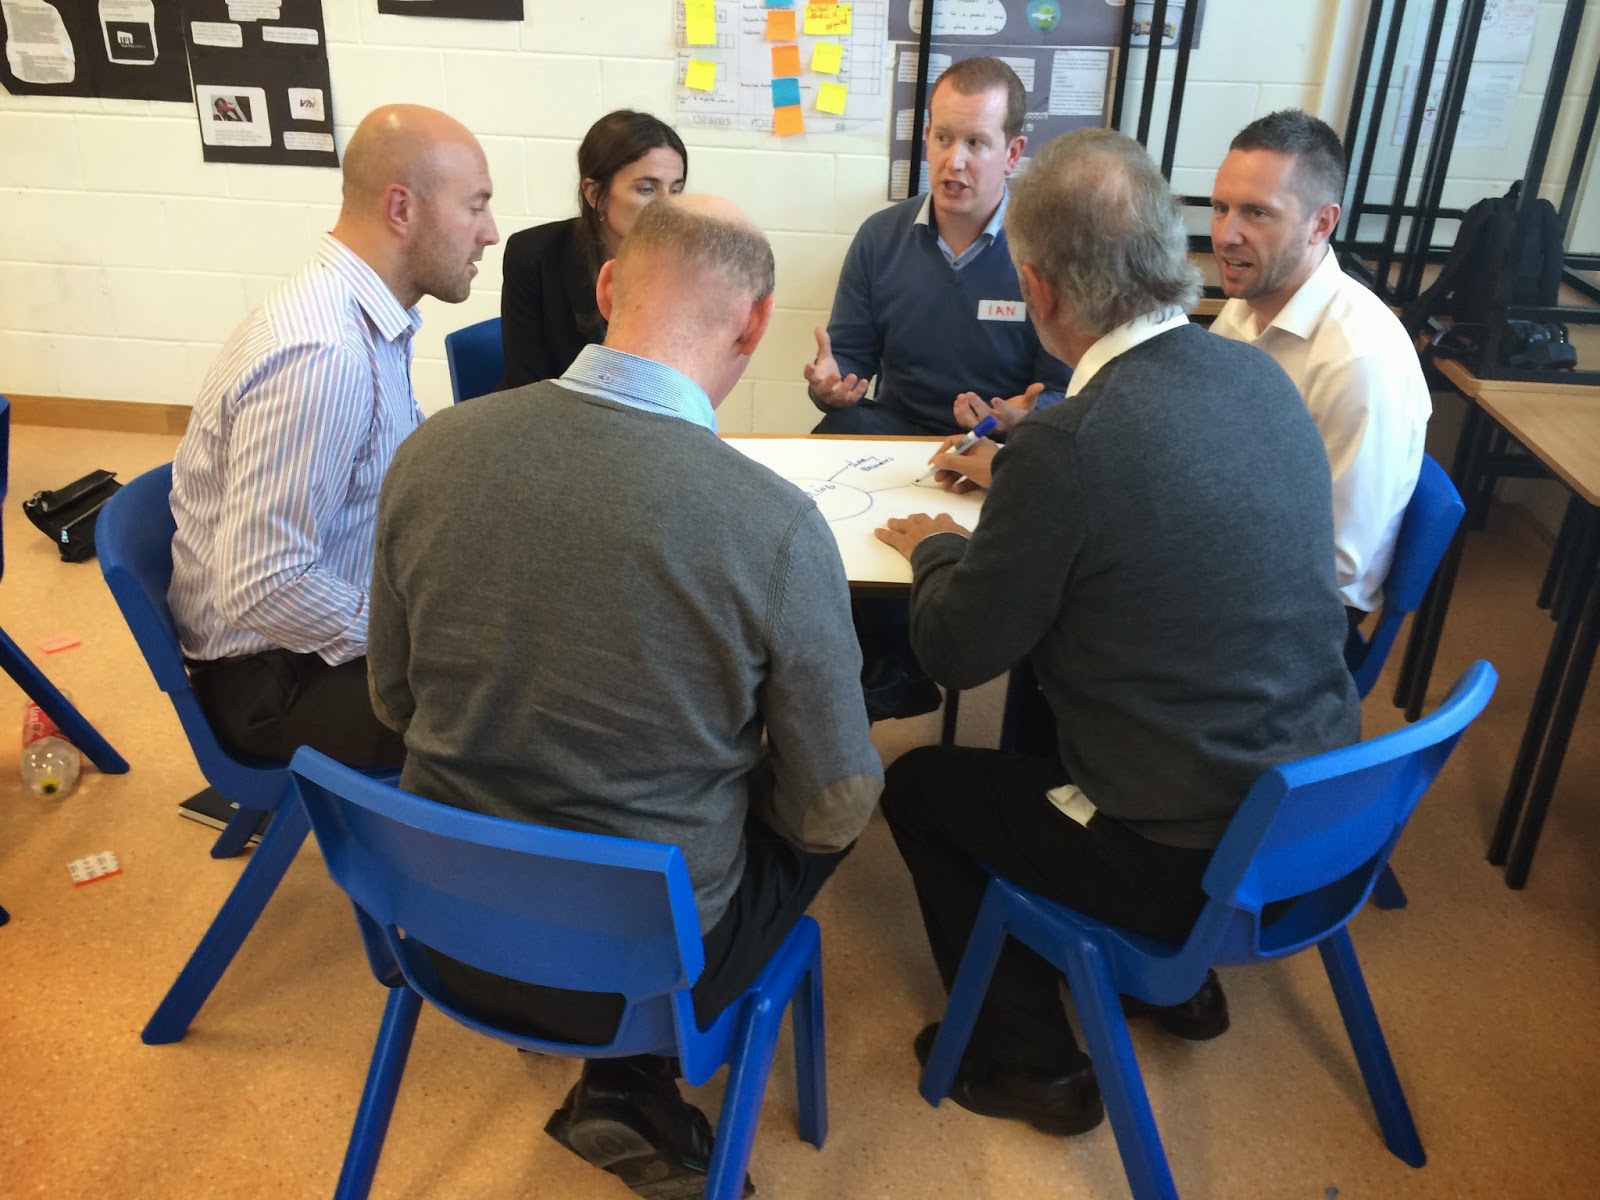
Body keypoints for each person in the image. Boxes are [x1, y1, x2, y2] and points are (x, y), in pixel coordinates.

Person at [368, 195, 883, 1198]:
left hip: (444, 926)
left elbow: (393, 701)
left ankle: (619, 1082)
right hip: (644, 971)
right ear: (755, 323)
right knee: (826, 797)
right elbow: (833, 804)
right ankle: (631, 1080)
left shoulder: (430, 453)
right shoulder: (774, 526)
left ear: (609, 289)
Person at [872, 129, 1361, 1137]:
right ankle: (1178, 992)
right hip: (1317, 816)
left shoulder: (1068, 445)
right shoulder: (1257, 377)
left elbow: (956, 650)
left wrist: (936, 549)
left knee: (921, 787)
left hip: (1184, 857)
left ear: (1038, 289)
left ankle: (1029, 1063)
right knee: (1068, 700)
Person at [169, 104, 498, 767]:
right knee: (534, 713)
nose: (489, 233)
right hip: (274, 680)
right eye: (475, 207)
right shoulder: (324, 355)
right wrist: (415, 635)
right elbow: (263, 584)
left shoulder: (366, 320)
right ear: (401, 209)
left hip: (314, 630)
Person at [1209, 109, 1431, 627]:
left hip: (1301, 611)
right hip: (1236, 547)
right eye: (1221, 208)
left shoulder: (1359, 361)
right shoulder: (1246, 306)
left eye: (1256, 213)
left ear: (1322, 223)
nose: (1226, 235)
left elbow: (1338, 560)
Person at [804, 56, 1069, 437]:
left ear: (1012, 154)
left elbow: (1063, 390)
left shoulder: (1049, 251)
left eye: (975, 143)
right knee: (835, 427)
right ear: (927, 137)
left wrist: (1018, 418)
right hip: (896, 431)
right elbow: (848, 358)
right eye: (943, 138)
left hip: (1000, 441)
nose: (954, 161)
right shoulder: (880, 236)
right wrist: (831, 386)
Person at [499, 109, 687, 388]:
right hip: (553, 409)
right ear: (595, 194)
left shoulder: (684, 264)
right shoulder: (534, 255)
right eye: (647, 189)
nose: (667, 208)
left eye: (675, 190)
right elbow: (526, 382)